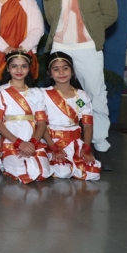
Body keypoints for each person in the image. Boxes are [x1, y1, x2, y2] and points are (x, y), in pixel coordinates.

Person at [43, 0, 118, 170]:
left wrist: (90, 31)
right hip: (60, 46)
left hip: (87, 47)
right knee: (58, 96)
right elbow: (51, 18)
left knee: (96, 94)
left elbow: (111, 14)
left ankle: (100, 145)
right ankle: (57, 144)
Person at [0, 51, 51, 184]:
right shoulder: (0, 91)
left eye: (23, 66)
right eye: (14, 66)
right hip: (11, 141)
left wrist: (32, 143)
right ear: (8, 68)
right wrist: (20, 143)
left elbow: (42, 123)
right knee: (22, 173)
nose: (19, 70)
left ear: (29, 68)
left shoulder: (37, 93)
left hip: (33, 141)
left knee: (43, 172)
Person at [41, 51, 101, 180]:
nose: (61, 72)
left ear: (72, 71)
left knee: (93, 172)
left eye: (65, 68)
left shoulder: (80, 97)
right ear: (49, 73)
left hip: (75, 143)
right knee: (63, 172)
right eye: (56, 69)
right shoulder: (43, 95)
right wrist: (54, 148)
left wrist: (86, 148)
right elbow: (41, 125)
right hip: (52, 142)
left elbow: (87, 125)